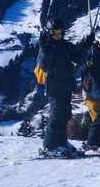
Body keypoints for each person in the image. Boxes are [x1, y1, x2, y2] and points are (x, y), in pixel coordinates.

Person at [37, 18, 93, 156]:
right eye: (54, 32)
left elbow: (79, 59)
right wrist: (44, 49)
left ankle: (61, 143)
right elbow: (45, 66)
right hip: (54, 87)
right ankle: (49, 147)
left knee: (65, 115)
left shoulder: (66, 46)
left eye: (60, 31)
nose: (57, 34)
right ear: (49, 33)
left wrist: (86, 45)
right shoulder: (47, 47)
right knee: (56, 116)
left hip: (67, 86)